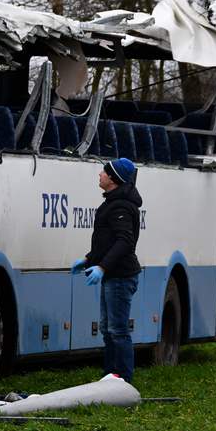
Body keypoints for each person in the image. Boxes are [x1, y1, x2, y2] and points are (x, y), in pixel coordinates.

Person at [71, 157, 142, 383]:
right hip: (112, 275)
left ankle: (122, 378)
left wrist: (102, 267)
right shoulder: (112, 202)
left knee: (118, 329)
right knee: (107, 327)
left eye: (103, 172)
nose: (99, 175)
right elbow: (105, 241)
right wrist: (88, 259)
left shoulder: (120, 206)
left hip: (120, 276)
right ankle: (111, 375)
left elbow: (124, 242)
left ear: (113, 179)